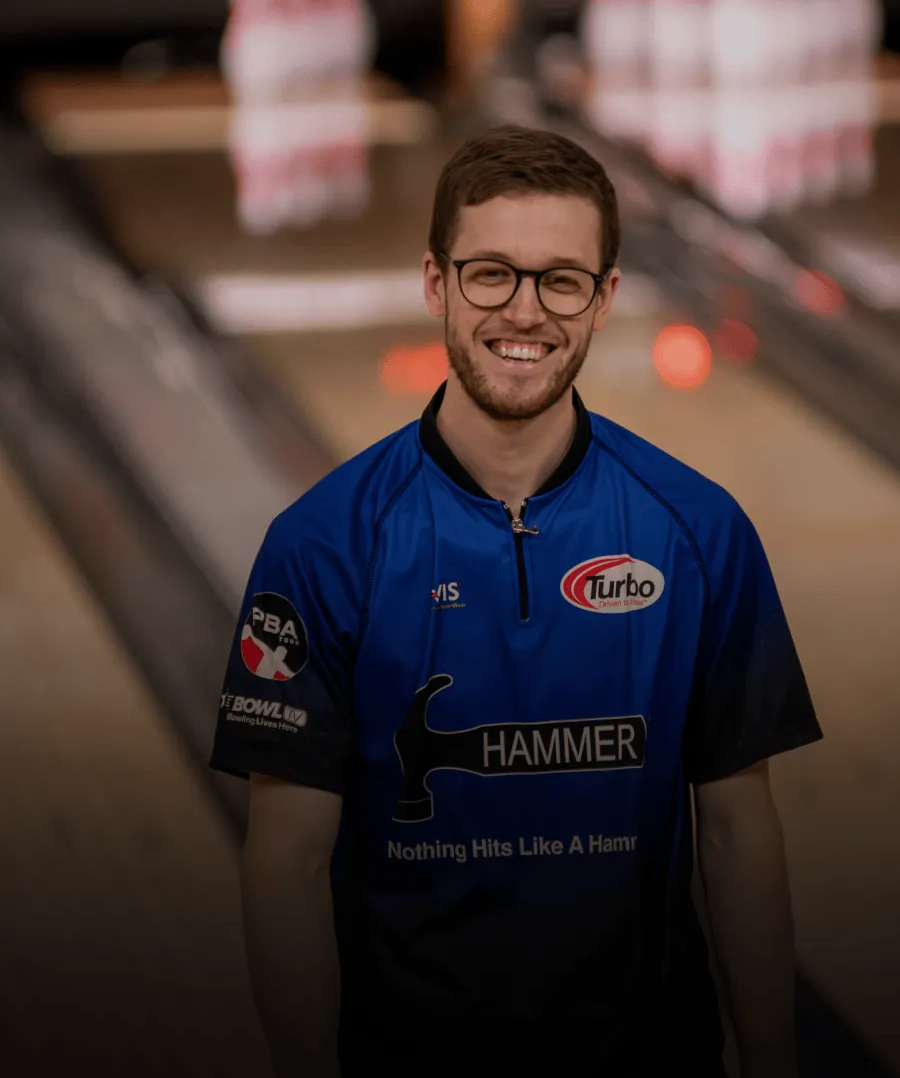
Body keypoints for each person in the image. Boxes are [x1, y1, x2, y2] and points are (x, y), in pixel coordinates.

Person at [210, 124, 823, 1078]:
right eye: (491, 272)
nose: (525, 312)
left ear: (606, 297)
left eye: (561, 279)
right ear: (435, 282)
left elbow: (738, 827)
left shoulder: (699, 531)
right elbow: (285, 859)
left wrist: (774, 1062)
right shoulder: (324, 544)